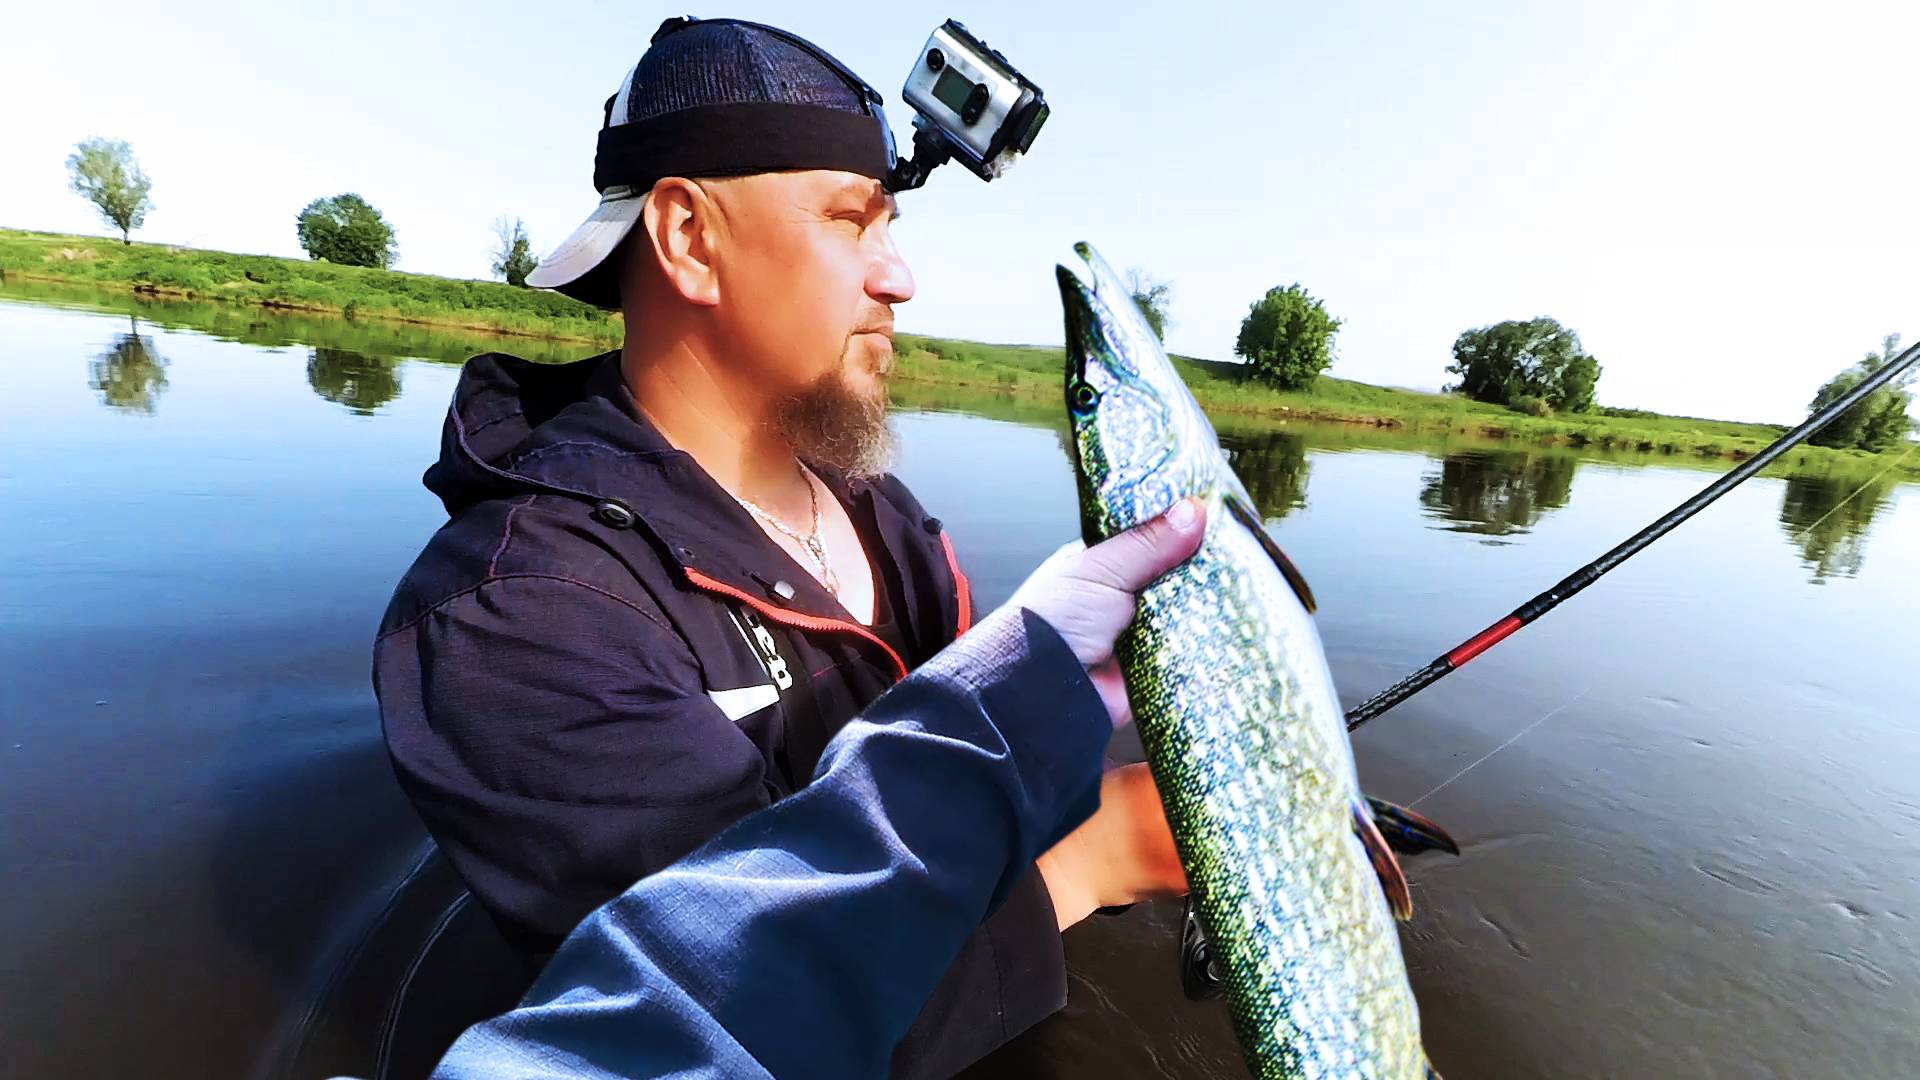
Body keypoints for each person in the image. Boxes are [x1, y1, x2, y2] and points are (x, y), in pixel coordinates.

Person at [373, 16, 1187, 1078]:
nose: (900, 278)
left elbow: (960, 788)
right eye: (851, 221)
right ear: (689, 239)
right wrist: (1101, 858)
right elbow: (729, 1010)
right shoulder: (516, 614)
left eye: (890, 227)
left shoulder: (883, 517)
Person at [430, 503, 1206, 1080]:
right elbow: (692, 1024)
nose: (896, 298)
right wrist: (1086, 865)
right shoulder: (524, 610)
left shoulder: (888, 520)